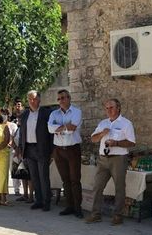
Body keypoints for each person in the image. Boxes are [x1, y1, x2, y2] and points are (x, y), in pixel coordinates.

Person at [86, 99, 136, 225]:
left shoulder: (126, 124)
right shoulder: (103, 123)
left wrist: (116, 143)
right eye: (107, 108)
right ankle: (95, 214)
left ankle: (118, 216)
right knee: (97, 186)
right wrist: (102, 134)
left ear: (118, 108)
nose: (109, 110)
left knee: (119, 188)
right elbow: (93, 139)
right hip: (103, 159)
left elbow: (132, 142)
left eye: (111, 107)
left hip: (118, 159)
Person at [48, 89, 83, 217]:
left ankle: (77, 207)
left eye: (63, 98)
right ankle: (69, 206)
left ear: (69, 98)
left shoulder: (77, 112)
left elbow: (73, 128)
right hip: (58, 150)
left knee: (75, 180)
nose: (61, 101)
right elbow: (49, 129)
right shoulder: (54, 114)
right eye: (59, 99)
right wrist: (64, 127)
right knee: (65, 180)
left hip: (72, 149)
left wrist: (58, 128)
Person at [18, 90, 54, 211]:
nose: (32, 101)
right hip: (29, 149)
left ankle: (47, 201)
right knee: (34, 176)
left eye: (34, 99)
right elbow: (22, 133)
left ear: (39, 99)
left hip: (42, 149)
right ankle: (38, 200)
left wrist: (52, 150)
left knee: (44, 176)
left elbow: (51, 134)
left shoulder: (47, 113)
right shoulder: (24, 115)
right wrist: (20, 148)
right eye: (29, 99)